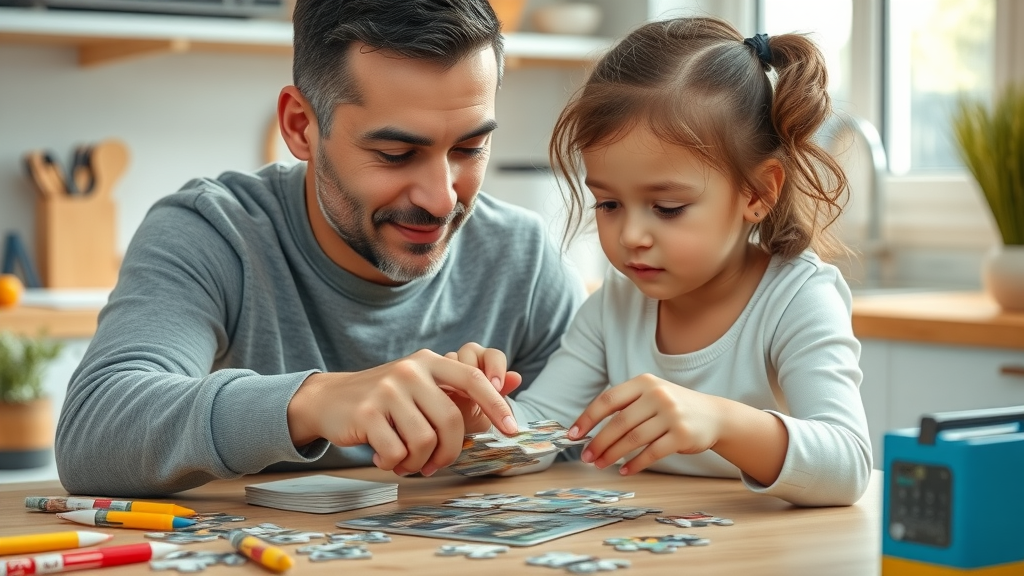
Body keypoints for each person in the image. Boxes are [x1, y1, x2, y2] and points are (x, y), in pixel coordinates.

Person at [54, 0, 585, 496]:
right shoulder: (212, 233)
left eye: (470, 148)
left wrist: (487, 436)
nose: (442, 198)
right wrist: (311, 402)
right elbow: (93, 434)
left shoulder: (524, 257)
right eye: (397, 153)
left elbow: (583, 446)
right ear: (301, 126)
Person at [488, 17, 873, 506]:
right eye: (608, 204)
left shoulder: (797, 298)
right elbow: (540, 431)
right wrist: (480, 416)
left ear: (758, 192)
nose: (630, 236)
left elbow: (849, 465)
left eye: (667, 208)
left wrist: (721, 421)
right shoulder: (615, 307)